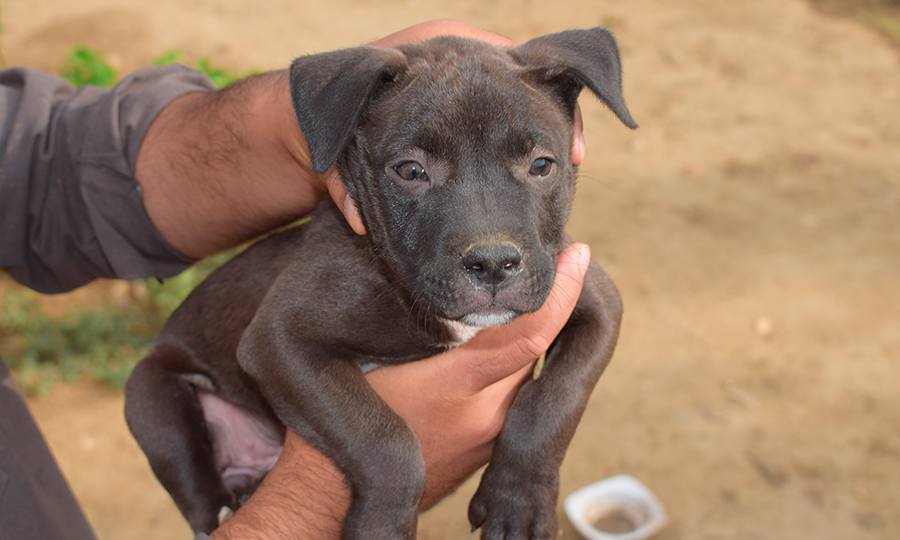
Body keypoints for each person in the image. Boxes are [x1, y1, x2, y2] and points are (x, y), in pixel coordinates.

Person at [0, 19, 590, 540]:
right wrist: (384, 475)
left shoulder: (534, 253)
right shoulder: (356, 268)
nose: (490, 242)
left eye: (539, 166)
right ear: (352, 145)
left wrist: (530, 459)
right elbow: (270, 342)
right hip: (221, 390)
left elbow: (597, 313)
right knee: (152, 387)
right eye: (413, 171)